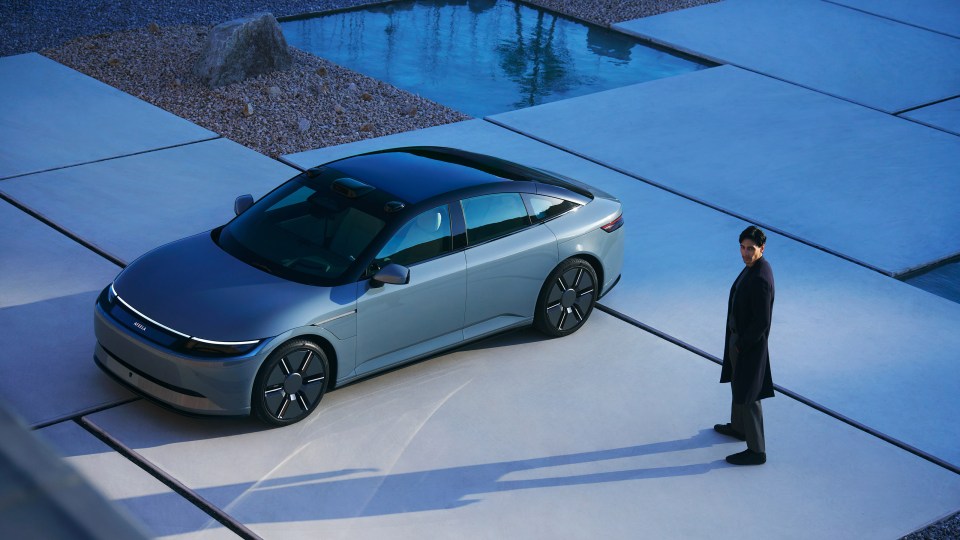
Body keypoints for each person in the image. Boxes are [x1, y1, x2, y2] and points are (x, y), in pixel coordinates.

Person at [715, 225, 775, 466]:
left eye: (751, 249)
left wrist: (741, 344)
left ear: (761, 248)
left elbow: (762, 321)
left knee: (750, 395)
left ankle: (757, 450)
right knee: (739, 385)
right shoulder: (754, 268)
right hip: (739, 340)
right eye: (742, 247)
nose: (745, 253)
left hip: (749, 346)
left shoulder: (760, 277)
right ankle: (740, 429)